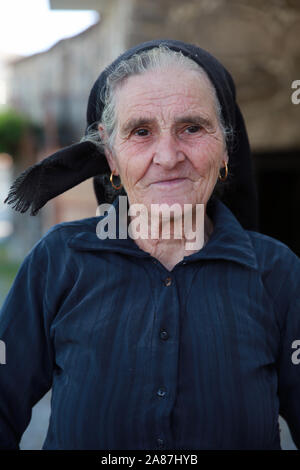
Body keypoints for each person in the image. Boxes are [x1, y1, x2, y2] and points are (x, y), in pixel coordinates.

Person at [0, 39, 299, 450]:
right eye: (141, 131)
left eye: (192, 127)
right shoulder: (59, 261)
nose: (168, 155)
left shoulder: (278, 272)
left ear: (226, 145)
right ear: (110, 154)